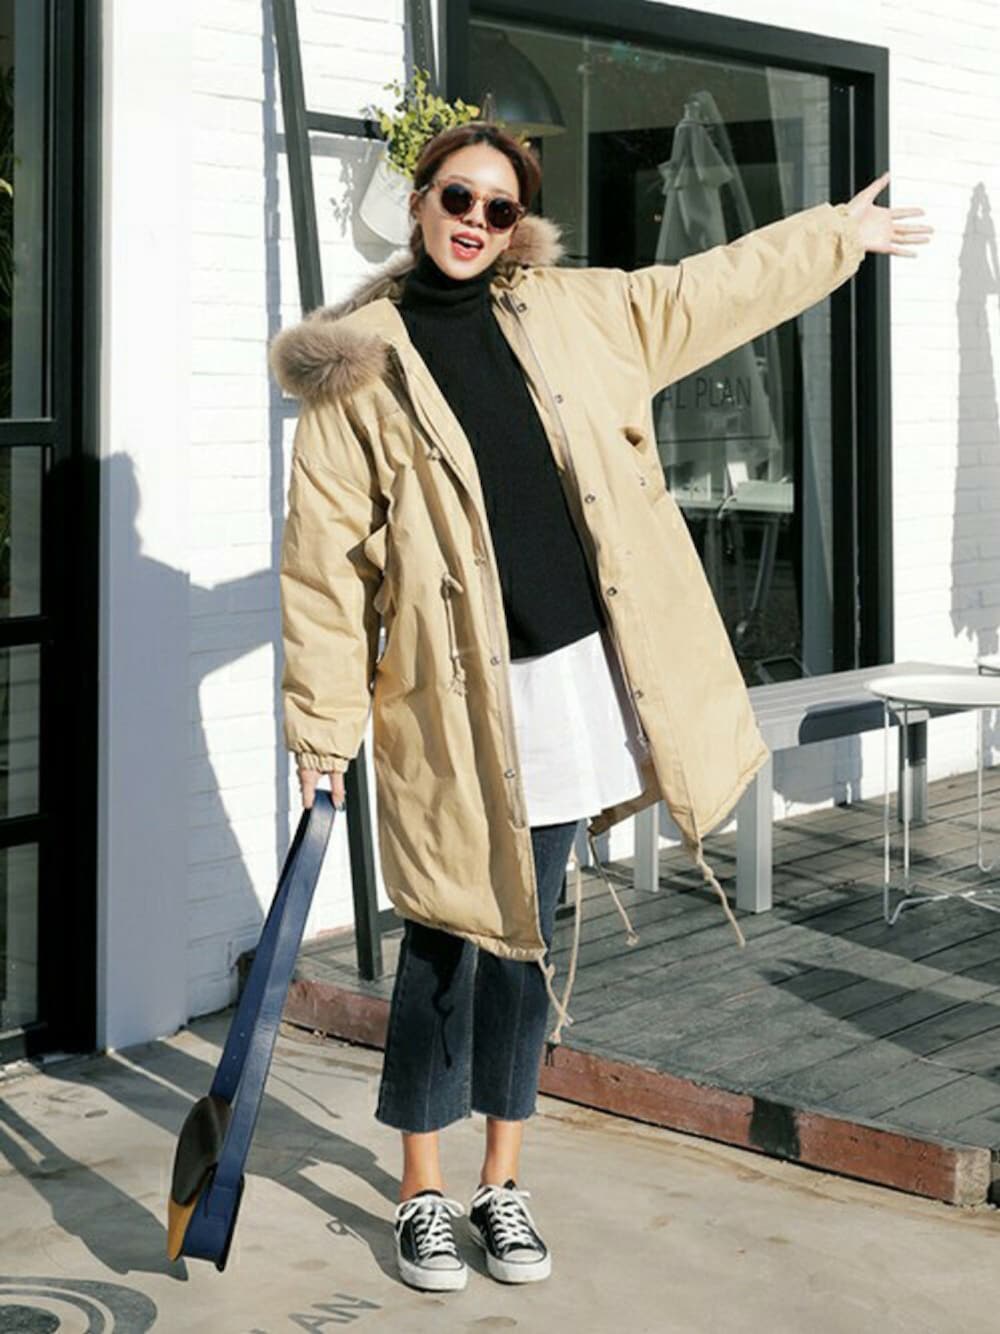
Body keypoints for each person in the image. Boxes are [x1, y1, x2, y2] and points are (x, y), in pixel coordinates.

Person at [269, 121, 930, 1293]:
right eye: (457, 198)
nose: (476, 222)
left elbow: (706, 290)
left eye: (499, 208)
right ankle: (422, 1188)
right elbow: (324, 564)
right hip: (451, 701)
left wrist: (836, 234)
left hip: (571, 682)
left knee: (526, 938)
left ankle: (501, 1179)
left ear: (517, 223)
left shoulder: (575, 310)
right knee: (445, 936)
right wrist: (321, 728)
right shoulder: (358, 365)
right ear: (418, 202)